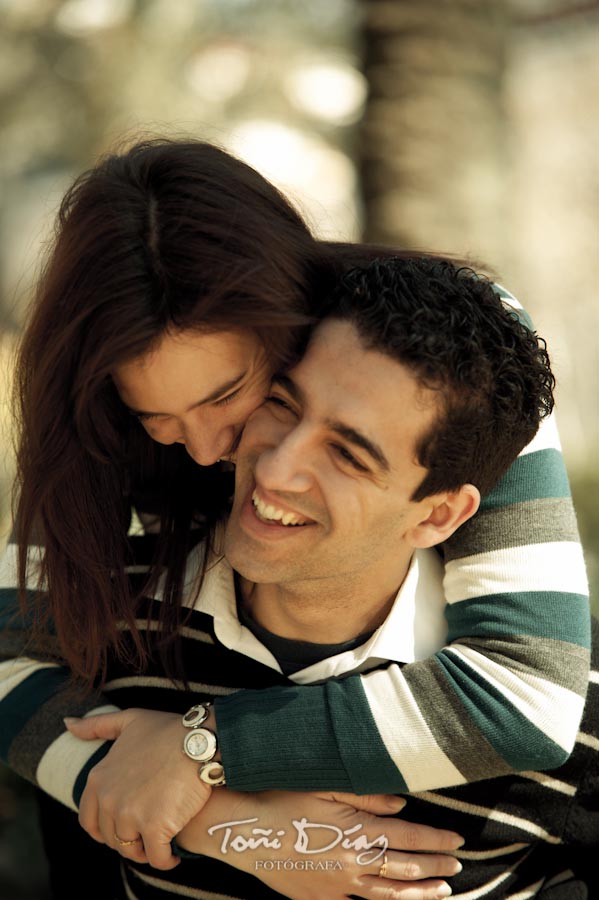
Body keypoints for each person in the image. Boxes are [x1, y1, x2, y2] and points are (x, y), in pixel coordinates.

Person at [0, 140, 589, 889]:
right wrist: (225, 826)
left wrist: (203, 747)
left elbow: (527, 694)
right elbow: (9, 654)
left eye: (229, 395)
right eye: (158, 416)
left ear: (292, 320)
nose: (216, 448)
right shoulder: (89, 419)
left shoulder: (448, 360)